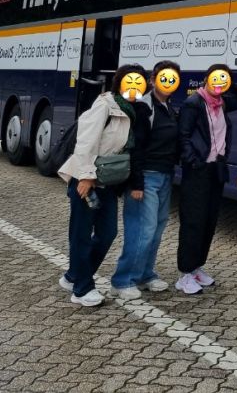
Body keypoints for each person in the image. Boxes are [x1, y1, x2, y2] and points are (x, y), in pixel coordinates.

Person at [58, 64, 148, 307]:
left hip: (107, 182)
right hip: (87, 179)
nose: (134, 86)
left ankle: (74, 275)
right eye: (129, 81)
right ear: (119, 83)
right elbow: (86, 141)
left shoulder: (135, 110)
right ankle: (82, 289)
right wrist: (86, 176)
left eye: (139, 83)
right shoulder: (105, 105)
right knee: (81, 234)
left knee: (108, 233)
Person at [176, 63, 237, 294]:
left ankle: (197, 267)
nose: (219, 83)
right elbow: (183, 135)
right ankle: (185, 273)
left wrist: (231, 81)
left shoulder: (222, 102)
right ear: (206, 79)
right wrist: (193, 160)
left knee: (209, 220)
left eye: (223, 80)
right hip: (198, 170)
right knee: (193, 221)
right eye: (215, 79)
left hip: (216, 169)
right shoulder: (194, 103)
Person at [110, 60, 182, 298]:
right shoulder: (144, 107)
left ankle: (145, 274)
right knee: (142, 229)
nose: (168, 82)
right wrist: (136, 183)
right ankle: (123, 280)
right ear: (153, 80)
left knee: (157, 228)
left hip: (165, 175)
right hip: (146, 177)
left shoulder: (169, 107)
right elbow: (136, 147)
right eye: (163, 77)